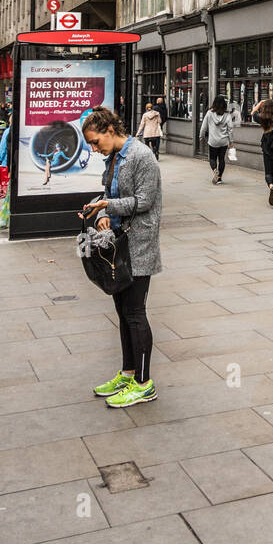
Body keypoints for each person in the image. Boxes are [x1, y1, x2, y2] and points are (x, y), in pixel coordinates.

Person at [80, 105, 162, 408]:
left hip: (139, 246)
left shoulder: (142, 156)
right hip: (120, 244)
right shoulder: (114, 157)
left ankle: (144, 383)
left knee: (135, 313)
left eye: (95, 141)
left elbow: (143, 201)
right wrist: (100, 211)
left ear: (111, 131)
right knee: (123, 312)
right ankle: (128, 373)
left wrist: (107, 207)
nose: (93, 148)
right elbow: (111, 196)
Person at [199, 95, 234, 183]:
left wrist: (201, 136)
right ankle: (219, 178)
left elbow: (204, 126)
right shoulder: (227, 115)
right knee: (221, 159)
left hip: (213, 141)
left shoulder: (209, 113)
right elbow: (230, 129)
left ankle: (215, 171)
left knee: (212, 158)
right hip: (223, 141)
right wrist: (231, 141)